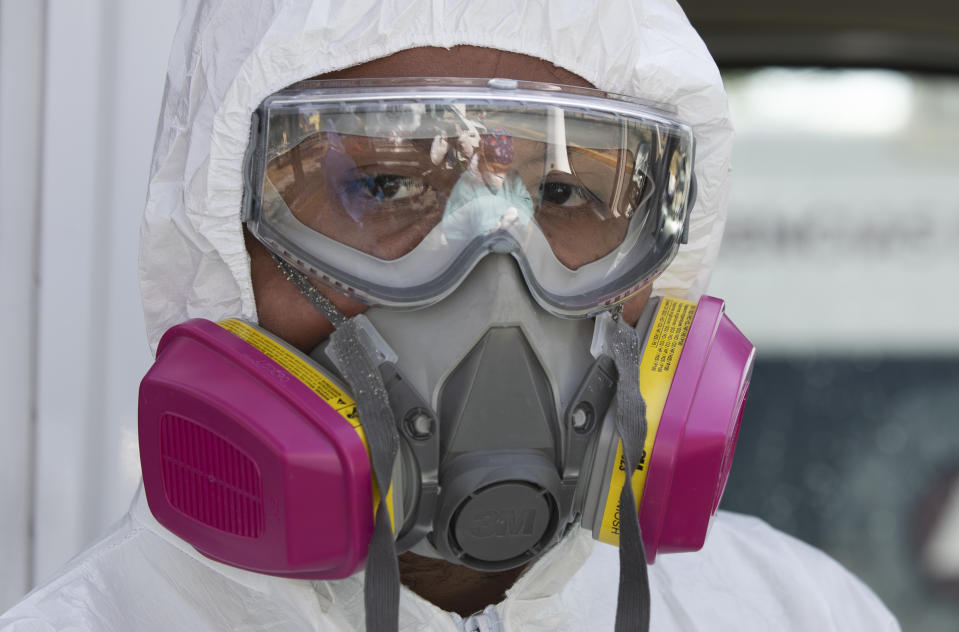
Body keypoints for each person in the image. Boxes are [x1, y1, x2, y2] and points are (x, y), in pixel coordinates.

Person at [0, 1, 900, 630]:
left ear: (661, 270)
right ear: (220, 252)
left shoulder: (796, 612)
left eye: (563, 191)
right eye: (385, 184)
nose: (494, 279)